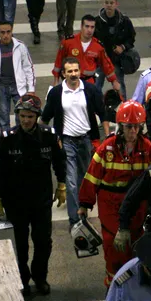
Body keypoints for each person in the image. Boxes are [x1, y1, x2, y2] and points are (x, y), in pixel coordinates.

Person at [0, 94, 66, 296]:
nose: (26, 120)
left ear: (37, 117)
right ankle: (23, 280)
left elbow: (59, 160)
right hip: (16, 201)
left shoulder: (49, 135)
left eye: (30, 117)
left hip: (41, 200)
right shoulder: (8, 138)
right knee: (22, 244)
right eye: (22, 116)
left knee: (44, 242)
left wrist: (61, 183)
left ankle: (40, 277)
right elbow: (0, 169)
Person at [78, 101, 151, 287]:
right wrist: (84, 205)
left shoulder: (146, 148)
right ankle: (113, 289)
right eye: (129, 126)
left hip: (137, 207)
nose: (133, 131)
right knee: (114, 250)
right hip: (111, 207)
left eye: (136, 126)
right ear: (121, 126)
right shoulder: (106, 149)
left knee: (136, 248)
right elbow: (92, 177)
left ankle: (136, 290)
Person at [42, 57, 108, 229]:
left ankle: (83, 210)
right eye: (69, 71)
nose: (73, 74)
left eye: (75, 70)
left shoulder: (91, 90)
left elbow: (103, 114)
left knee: (85, 180)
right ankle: (75, 221)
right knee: (70, 182)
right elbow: (45, 117)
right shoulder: (56, 93)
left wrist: (107, 137)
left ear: (80, 72)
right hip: (66, 142)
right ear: (63, 74)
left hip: (86, 140)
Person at [0, 21, 37, 131]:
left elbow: (28, 68)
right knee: (3, 121)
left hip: (19, 87)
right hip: (1, 88)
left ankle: (21, 144)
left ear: (12, 31)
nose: (5, 35)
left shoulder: (20, 46)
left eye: (8, 32)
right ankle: (7, 145)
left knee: (22, 119)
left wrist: (31, 89)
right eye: (2, 32)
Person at [52, 15, 119, 92]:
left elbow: (106, 65)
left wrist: (114, 81)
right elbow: (58, 61)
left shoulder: (98, 47)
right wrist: (56, 80)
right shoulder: (68, 42)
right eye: (87, 26)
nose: (89, 30)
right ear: (81, 26)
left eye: (92, 27)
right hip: (70, 83)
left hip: (89, 85)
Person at [95, 0, 136, 99]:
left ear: (116, 4)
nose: (109, 5)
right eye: (107, 2)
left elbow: (131, 38)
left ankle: (123, 108)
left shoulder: (124, 21)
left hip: (116, 60)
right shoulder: (97, 22)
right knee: (96, 86)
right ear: (103, 3)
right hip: (100, 61)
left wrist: (123, 47)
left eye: (111, 3)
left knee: (120, 85)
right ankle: (94, 107)